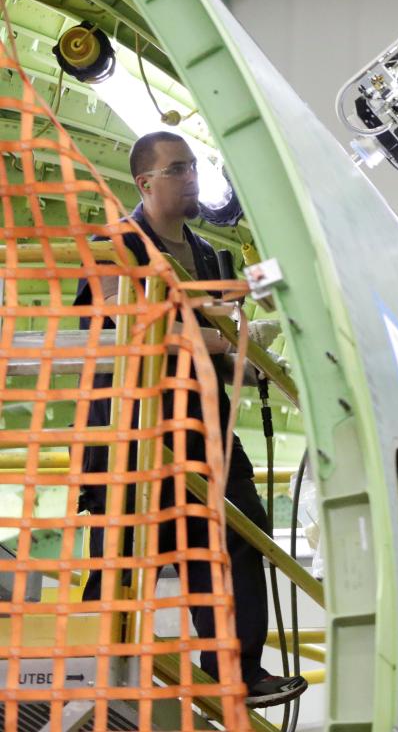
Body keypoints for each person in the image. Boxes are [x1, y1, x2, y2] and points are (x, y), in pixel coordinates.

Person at [75, 131, 305, 709]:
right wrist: (220, 340)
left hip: (209, 431)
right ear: (144, 183)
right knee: (127, 555)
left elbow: (234, 329)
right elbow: (118, 329)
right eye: (178, 169)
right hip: (137, 433)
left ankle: (236, 674)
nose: (192, 178)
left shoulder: (212, 257)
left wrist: (258, 360)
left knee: (241, 538)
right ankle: (86, 664)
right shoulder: (116, 246)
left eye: (194, 167)